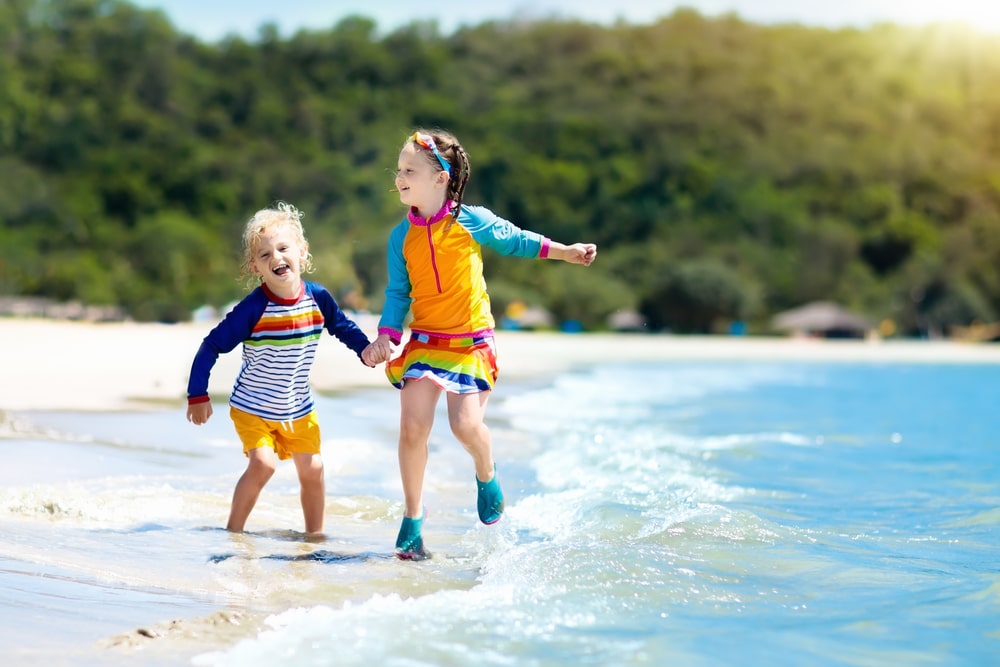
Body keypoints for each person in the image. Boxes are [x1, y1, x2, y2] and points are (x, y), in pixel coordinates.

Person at [361, 129, 597, 560]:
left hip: (470, 342)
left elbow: (517, 239)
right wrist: (387, 337)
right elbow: (399, 293)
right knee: (413, 428)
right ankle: (413, 517)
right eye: (398, 171)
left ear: (441, 178)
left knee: (465, 426)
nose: (399, 178)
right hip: (426, 342)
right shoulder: (401, 236)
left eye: (409, 170)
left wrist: (566, 251)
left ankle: (486, 474)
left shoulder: (471, 221)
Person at [187, 202, 380, 535]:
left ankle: (314, 537)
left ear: (301, 251)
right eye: (265, 255)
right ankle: (234, 533)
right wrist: (197, 394)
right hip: (253, 407)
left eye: (283, 248)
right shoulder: (254, 308)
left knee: (313, 469)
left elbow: (341, 325)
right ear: (255, 267)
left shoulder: (318, 298)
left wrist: (365, 350)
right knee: (263, 465)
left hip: (298, 407)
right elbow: (211, 345)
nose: (276, 258)